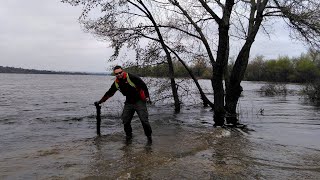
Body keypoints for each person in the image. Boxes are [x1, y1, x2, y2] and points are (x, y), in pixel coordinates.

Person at [95, 66, 152, 144]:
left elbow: (143, 86)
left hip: (139, 101)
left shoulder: (131, 77)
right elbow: (110, 93)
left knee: (144, 120)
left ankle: (149, 138)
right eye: (116, 74)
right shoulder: (116, 83)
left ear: (123, 71)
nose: (119, 74)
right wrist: (100, 101)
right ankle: (129, 137)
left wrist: (147, 97)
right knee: (125, 120)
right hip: (129, 102)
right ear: (115, 74)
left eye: (120, 72)